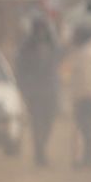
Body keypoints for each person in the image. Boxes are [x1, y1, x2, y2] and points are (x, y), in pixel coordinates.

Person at [15, 17, 61, 167]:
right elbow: (20, 69)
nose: (41, 32)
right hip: (34, 92)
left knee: (48, 123)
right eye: (38, 29)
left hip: (50, 90)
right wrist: (25, 87)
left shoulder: (52, 44)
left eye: (43, 28)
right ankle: (39, 154)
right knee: (37, 124)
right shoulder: (26, 46)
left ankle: (42, 148)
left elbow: (58, 62)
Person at [68, 25, 91, 168]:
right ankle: (89, 158)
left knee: (85, 128)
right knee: (88, 127)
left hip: (86, 96)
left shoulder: (87, 53)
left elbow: (85, 79)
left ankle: (87, 159)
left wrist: (78, 97)